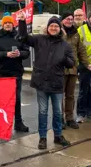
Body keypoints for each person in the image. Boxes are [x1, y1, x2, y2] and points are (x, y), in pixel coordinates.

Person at [17, 12, 74, 150]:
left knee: (58, 112)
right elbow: (23, 38)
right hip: (41, 82)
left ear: (60, 29)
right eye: (51, 26)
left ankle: (58, 135)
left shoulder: (65, 45)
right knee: (42, 112)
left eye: (56, 26)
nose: (54, 28)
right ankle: (42, 137)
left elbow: (71, 62)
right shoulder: (39, 39)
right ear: (47, 27)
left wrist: (65, 59)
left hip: (57, 83)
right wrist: (22, 23)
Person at [0, 15, 31, 133]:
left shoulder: (18, 36)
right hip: (3, 72)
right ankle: (4, 123)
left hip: (17, 72)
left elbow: (27, 52)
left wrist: (19, 54)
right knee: (5, 100)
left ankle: (18, 123)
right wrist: (5, 54)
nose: (8, 25)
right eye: (5, 23)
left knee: (17, 99)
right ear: (2, 25)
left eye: (10, 23)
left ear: (13, 24)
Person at [60, 11, 91, 129]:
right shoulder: (58, 31)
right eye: (67, 19)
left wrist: (87, 64)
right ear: (62, 20)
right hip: (60, 69)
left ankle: (69, 118)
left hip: (73, 69)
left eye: (71, 19)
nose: (69, 21)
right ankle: (60, 119)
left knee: (70, 95)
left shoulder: (76, 33)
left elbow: (81, 50)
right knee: (59, 96)